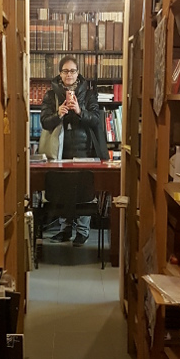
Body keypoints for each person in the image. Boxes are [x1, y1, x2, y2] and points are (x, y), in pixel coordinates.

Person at [39, 55, 108, 245]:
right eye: (65, 71)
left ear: (78, 73)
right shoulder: (51, 95)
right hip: (60, 150)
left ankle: (82, 231)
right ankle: (65, 229)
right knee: (62, 190)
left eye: (72, 71)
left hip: (85, 149)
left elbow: (96, 120)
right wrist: (58, 114)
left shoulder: (89, 94)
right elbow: (44, 122)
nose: (69, 74)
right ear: (60, 74)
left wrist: (79, 111)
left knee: (83, 191)